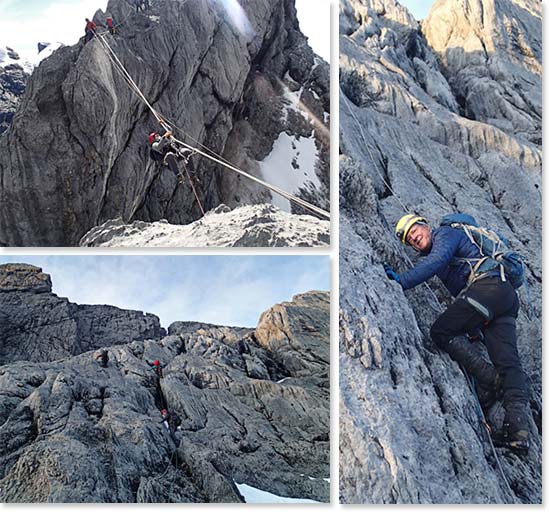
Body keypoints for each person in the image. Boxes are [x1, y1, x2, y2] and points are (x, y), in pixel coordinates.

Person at [384, 213, 530, 452]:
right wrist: (472, 327)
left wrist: (402, 280)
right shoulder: (449, 245)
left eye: (414, 230)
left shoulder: (446, 233)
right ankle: (518, 432)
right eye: (409, 239)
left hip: (488, 288)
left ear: (425, 225)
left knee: (441, 331)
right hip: (503, 298)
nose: (413, 238)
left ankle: (491, 380)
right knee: (509, 363)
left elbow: (436, 261)